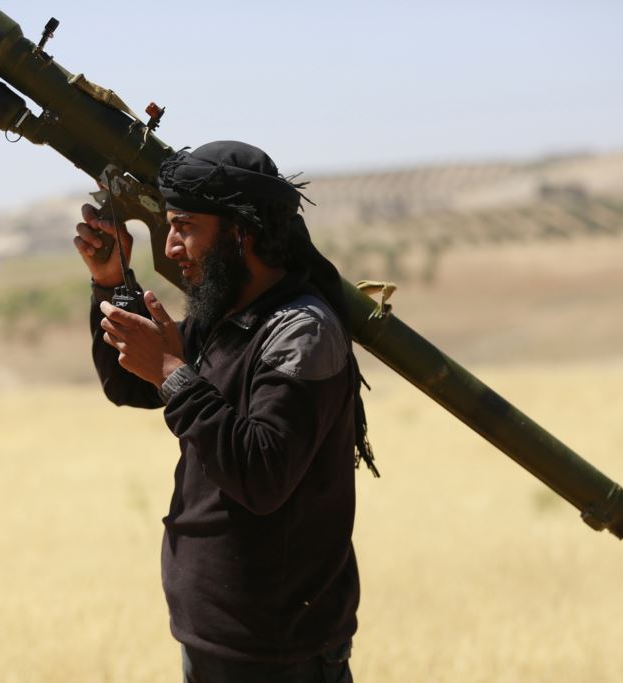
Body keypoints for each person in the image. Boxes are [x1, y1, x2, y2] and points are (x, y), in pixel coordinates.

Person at [73, 141, 376, 682]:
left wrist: (172, 371)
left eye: (185, 227)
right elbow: (129, 383)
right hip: (218, 639)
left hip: (280, 655)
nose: (170, 247)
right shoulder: (225, 317)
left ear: (241, 231)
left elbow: (261, 473)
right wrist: (112, 280)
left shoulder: (300, 332)